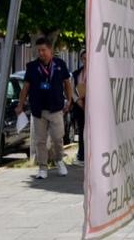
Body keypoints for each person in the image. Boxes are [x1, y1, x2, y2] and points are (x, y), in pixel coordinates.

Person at [15, 37, 76, 179]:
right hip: (38, 110)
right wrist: (20, 105)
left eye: (43, 50)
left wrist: (69, 100)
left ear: (51, 50)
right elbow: (25, 88)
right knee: (40, 140)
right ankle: (42, 168)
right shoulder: (32, 67)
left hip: (56, 108)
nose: (41, 53)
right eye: (39, 51)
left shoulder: (60, 64)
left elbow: (67, 83)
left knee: (57, 137)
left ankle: (59, 161)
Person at [71, 57, 87, 164]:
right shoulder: (77, 73)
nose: (85, 60)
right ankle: (81, 154)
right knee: (81, 130)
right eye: (83, 58)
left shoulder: (96, 71)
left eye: (87, 57)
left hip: (93, 106)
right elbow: (72, 89)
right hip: (80, 106)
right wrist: (77, 100)